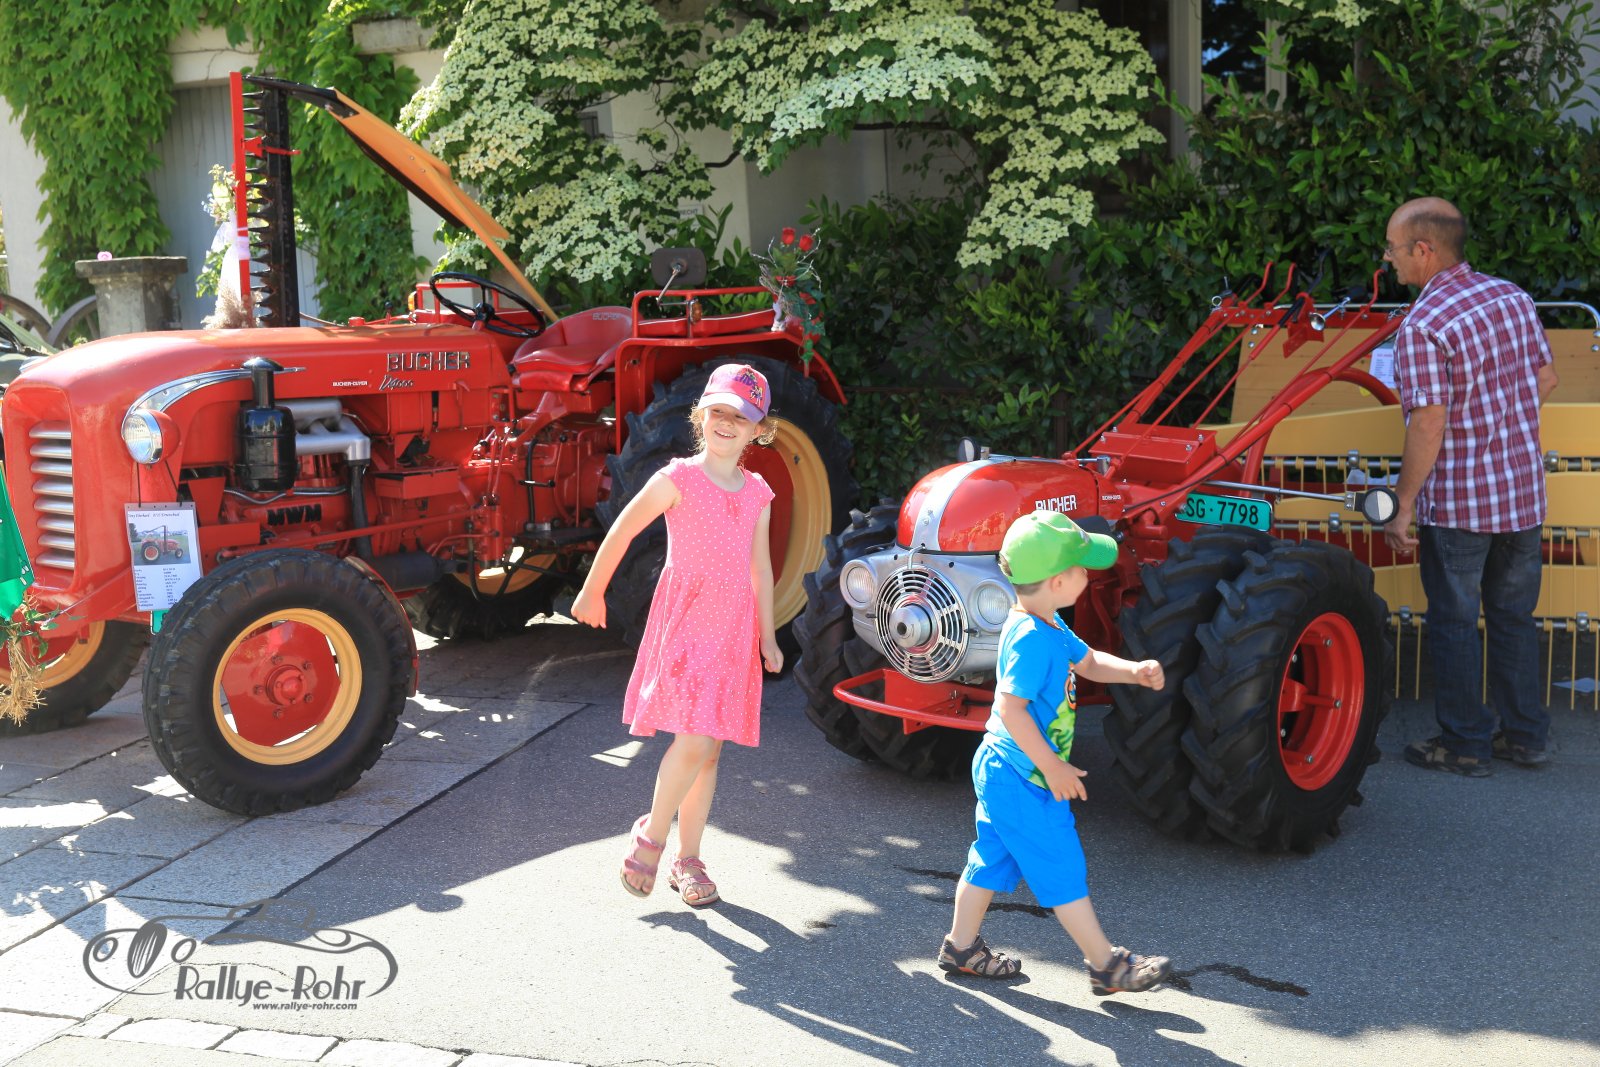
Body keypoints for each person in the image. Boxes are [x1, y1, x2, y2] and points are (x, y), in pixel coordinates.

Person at [571, 363, 783, 905]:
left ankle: (689, 858)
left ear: (758, 429)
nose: (726, 423)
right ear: (700, 416)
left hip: (733, 630)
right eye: (718, 412)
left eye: (740, 417)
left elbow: (760, 569)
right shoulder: (678, 479)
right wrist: (593, 591)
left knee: (708, 751)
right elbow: (623, 529)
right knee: (695, 740)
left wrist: (767, 636)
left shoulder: (758, 493)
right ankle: (652, 836)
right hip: (688, 625)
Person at [937, 510, 1172, 996]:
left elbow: (1088, 661)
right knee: (1062, 866)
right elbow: (1011, 708)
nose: (1089, 574)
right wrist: (1053, 766)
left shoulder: (1047, 623)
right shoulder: (1031, 639)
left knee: (992, 858)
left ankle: (960, 948)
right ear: (1059, 581)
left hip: (1005, 768)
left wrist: (1133, 672)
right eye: (1082, 567)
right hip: (1022, 775)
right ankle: (1106, 966)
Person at [1380, 197, 1560, 776]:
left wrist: (1402, 504)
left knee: (1455, 624)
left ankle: (1464, 744)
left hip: (1460, 504)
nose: (1388, 259)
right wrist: (1500, 426)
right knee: (1513, 617)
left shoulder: (1424, 324)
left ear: (1423, 250)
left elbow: (1428, 422)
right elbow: (1546, 379)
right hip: (1522, 494)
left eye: (1393, 248)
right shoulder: (1512, 297)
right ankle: (1526, 737)